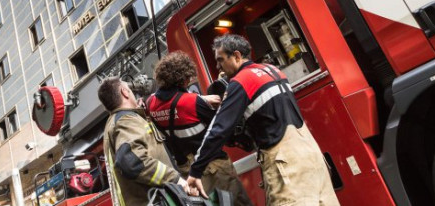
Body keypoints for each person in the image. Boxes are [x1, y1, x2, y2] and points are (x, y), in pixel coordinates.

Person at [187, 34, 339, 206]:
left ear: (237, 56)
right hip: (311, 153)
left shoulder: (241, 81)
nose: (218, 66)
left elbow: (219, 129)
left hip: (286, 164)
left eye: (220, 60)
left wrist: (196, 170)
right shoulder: (273, 70)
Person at [146, 51, 254, 206]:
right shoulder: (192, 102)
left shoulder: (151, 104)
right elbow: (223, 128)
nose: (189, 81)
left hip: (186, 171)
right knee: (238, 202)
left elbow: (171, 104)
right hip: (213, 167)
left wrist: (201, 99)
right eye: (188, 79)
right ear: (182, 79)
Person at [98, 77, 185, 206]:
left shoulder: (117, 122)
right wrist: (175, 179)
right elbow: (132, 162)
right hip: (154, 201)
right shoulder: (126, 121)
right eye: (130, 90)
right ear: (124, 92)